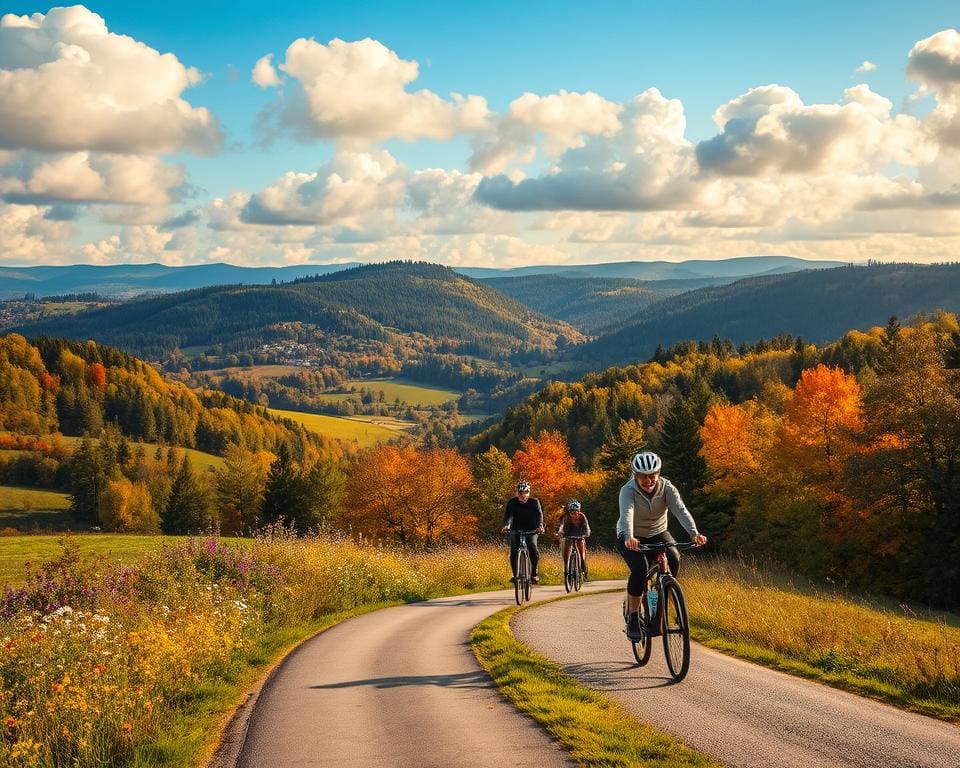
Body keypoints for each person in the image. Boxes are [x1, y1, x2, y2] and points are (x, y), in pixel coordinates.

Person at [617, 451, 707, 640]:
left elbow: (680, 510)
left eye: (652, 475)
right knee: (640, 570)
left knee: (674, 558)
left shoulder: (667, 488)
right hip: (631, 535)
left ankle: (662, 593)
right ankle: (633, 617)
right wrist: (629, 536)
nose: (648, 480)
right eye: (643, 477)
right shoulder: (628, 490)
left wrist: (694, 533)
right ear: (635, 476)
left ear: (658, 474)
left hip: (658, 532)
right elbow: (627, 513)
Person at [500, 480, 544, 583]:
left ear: (529, 492)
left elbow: (539, 515)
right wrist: (507, 526)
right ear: (516, 493)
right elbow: (509, 516)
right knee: (514, 551)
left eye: (526, 492)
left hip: (532, 530)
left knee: (532, 547)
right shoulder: (512, 502)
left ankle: (534, 573)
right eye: (520, 493)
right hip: (516, 529)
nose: (523, 495)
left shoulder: (534, 502)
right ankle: (515, 575)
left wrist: (540, 527)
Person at [557, 499, 591, 580]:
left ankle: (583, 571)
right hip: (568, 536)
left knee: (582, 555)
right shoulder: (566, 517)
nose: (573, 514)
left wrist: (587, 533)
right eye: (571, 512)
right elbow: (561, 526)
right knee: (566, 556)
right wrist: (560, 532)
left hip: (580, 536)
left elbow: (587, 526)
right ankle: (567, 572)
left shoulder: (582, 516)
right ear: (569, 511)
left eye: (575, 512)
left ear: (578, 511)